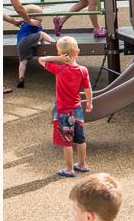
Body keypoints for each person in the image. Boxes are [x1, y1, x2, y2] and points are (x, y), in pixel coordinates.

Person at [38, 36, 95, 176]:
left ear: (59, 54)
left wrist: (58, 59)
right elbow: (88, 89)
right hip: (77, 110)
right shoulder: (83, 70)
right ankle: (82, 164)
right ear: (78, 51)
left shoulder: (59, 69)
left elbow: (40, 59)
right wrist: (89, 103)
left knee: (67, 141)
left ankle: (69, 169)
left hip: (64, 110)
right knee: (81, 139)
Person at [6, 3, 53, 90]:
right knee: (41, 34)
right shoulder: (36, 23)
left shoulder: (25, 23)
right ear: (34, 17)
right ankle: (54, 42)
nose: (42, 17)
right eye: (41, 15)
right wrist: (45, 46)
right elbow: (40, 36)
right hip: (26, 40)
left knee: (23, 62)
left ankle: (21, 78)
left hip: (20, 44)